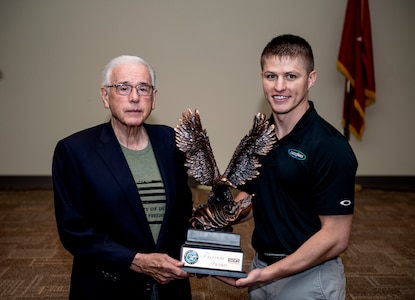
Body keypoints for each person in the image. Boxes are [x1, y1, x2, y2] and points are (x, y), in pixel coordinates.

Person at [218, 34, 358, 299]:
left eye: (291, 76)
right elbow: (250, 197)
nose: (279, 86)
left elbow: (336, 237)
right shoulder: (258, 137)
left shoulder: (330, 147)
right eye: (271, 76)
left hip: (308, 277)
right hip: (261, 268)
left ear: (311, 79)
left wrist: (269, 274)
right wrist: (216, 217)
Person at [52, 55, 193, 300]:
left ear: (154, 98)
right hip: (109, 286)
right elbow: (73, 231)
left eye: (143, 88)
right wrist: (136, 261)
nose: (135, 97)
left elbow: (182, 213)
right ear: (105, 96)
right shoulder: (74, 151)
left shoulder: (172, 142)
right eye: (123, 88)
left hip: (169, 285)